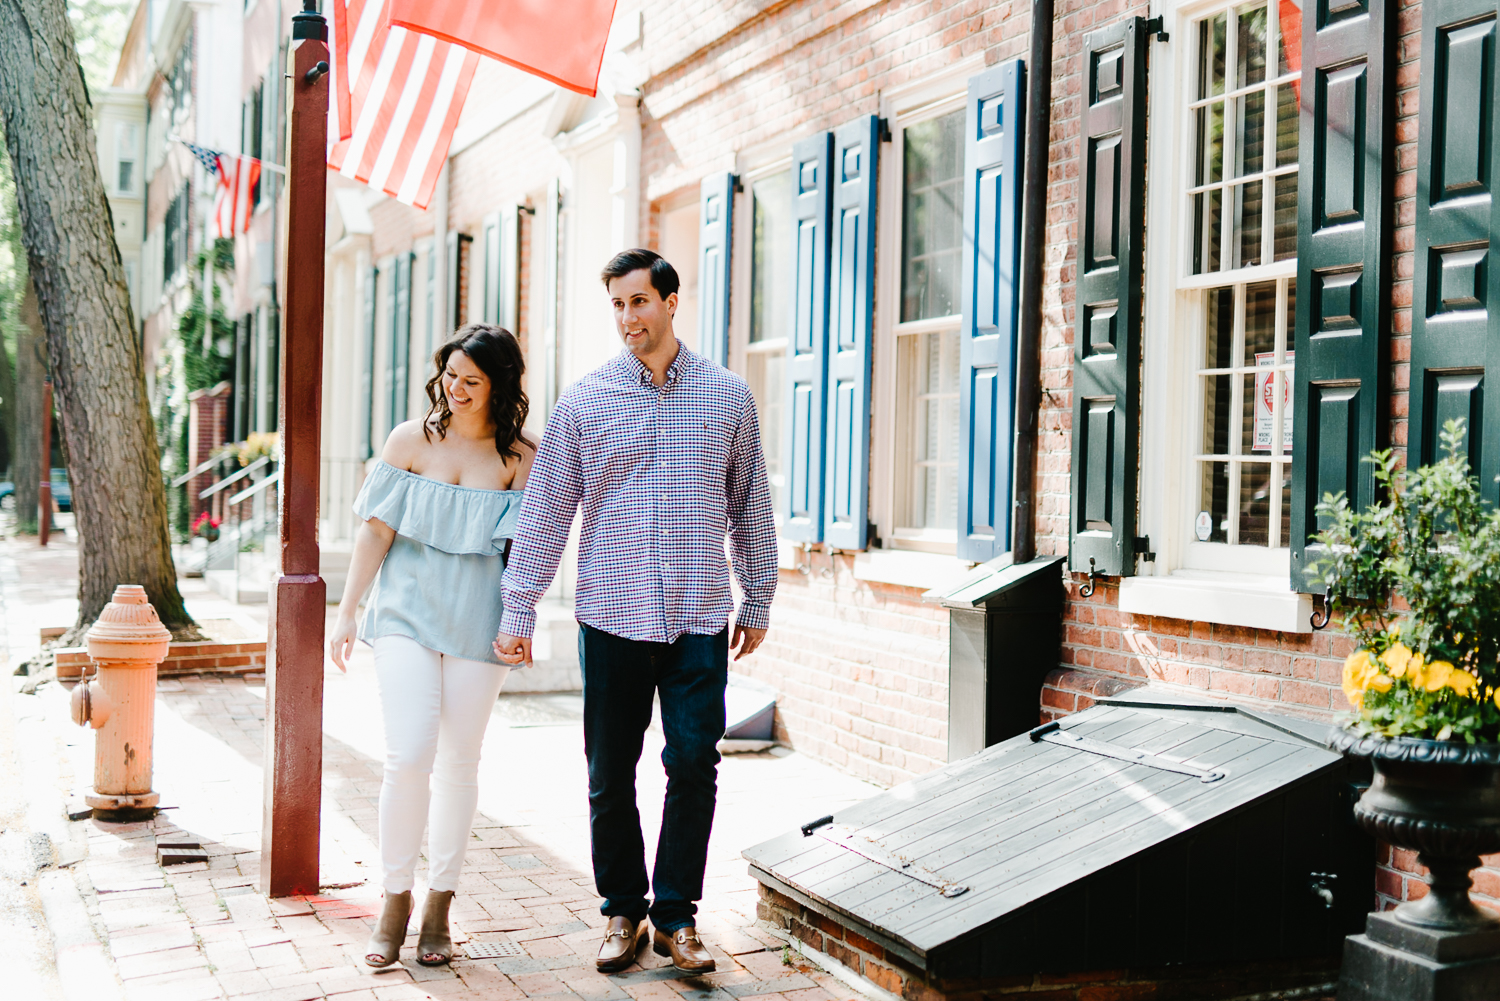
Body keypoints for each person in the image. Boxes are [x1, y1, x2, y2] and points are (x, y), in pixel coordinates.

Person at [494, 249, 777, 975]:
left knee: (693, 762)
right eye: (617, 305)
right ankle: (623, 908)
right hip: (612, 617)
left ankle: (676, 915)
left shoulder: (726, 397)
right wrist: (519, 607)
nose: (627, 318)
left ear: (671, 301)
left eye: (639, 302)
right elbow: (549, 508)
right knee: (608, 769)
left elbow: (749, 504)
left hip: (698, 617)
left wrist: (760, 593)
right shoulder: (585, 402)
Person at [329, 324, 537, 969]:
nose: (457, 390)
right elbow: (375, 533)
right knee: (409, 752)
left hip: (480, 623)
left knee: (459, 763)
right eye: (450, 377)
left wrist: (522, 619)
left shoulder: (519, 458)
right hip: (404, 616)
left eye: (472, 381)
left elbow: (531, 552)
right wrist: (346, 612)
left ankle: (439, 904)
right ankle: (394, 900)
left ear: (500, 384)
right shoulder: (409, 440)